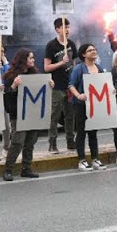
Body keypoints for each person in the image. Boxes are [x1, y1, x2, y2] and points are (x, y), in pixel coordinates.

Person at [4, 49, 50, 179]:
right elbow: (6, 96)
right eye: (31, 58)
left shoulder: (34, 74)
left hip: (32, 113)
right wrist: (13, 86)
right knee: (17, 142)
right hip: (18, 115)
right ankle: (8, 169)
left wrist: (49, 85)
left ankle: (26, 168)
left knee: (30, 142)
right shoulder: (11, 76)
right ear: (23, 59)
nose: (33, 60)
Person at [67, 43, 108, 171]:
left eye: (94, 49)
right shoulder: (79, 68)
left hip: (94, 105)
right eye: (90, 50)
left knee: (93, 132)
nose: (93, 52)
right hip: (80, 106)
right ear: (83, 54)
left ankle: (95, 158)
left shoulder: (99, 68)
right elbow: (71, 85)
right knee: (81, 132)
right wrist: (78, 95)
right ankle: (82, 160)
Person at [43, 18, 77, 152]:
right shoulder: (51, 45)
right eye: (64, 27)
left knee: (70, 115)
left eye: (68, 27)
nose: (67, 30)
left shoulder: (72, 44)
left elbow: (74, 64)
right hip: (56, 86)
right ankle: (52, 143)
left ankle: (70, 141)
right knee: (54, 115)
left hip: (69, 85)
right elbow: (46, 67)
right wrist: (61, 63)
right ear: (57, 29)